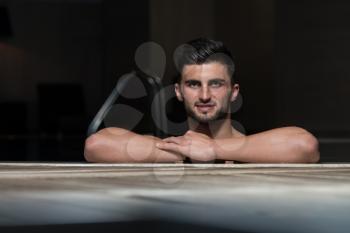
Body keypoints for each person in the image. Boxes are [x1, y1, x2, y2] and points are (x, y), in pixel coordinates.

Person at [84, 38, 319, 163]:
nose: (205, 95)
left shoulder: (258, 148)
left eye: (216, 84)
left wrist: (213, 150)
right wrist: (186, 152)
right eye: (193, 84)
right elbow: (96, 145)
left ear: (234, 91)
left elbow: (304, 145)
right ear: (178, 91)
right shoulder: (168, 148)